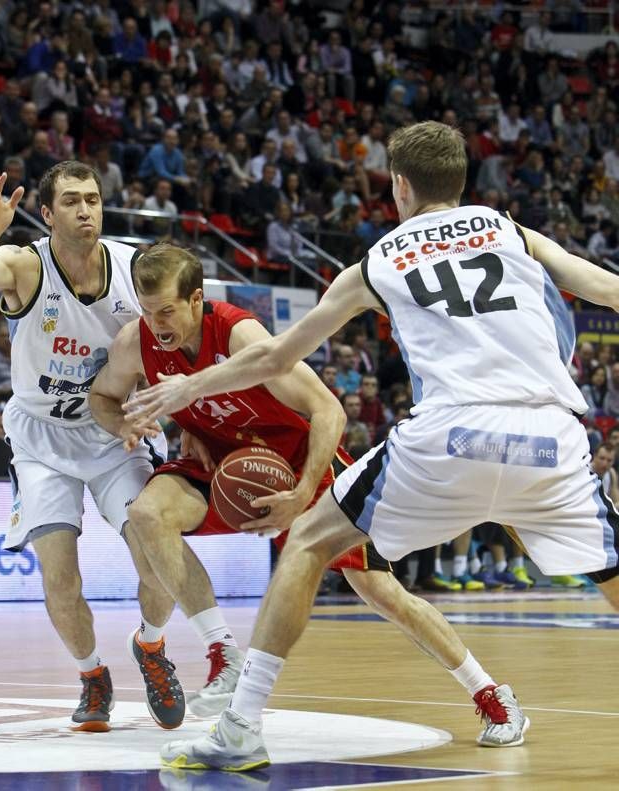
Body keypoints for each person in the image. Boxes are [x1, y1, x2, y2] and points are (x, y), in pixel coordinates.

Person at [127, 121, 619, 770]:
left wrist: (187, 384)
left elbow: (277, 355)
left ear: (400, 186)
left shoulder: (379, 259)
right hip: (551, 440)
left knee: (307, 542)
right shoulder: (509, 230)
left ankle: (241, 726)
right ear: (464, 183)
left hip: (450, 436)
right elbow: (607, 289)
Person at [91, 242, 527, 736]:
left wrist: (301, 495)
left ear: (196, 300)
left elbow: (329, 411)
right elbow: (101, 395)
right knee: (148, 514)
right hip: (220, 464)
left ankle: (490, 692)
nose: (156, 323)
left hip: (299, 465)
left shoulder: (239, 335)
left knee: (380, 590)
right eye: (147, 312)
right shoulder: (136, 343)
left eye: (166, 310)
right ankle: (222, 653)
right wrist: (122, 426)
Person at [0, 161, 185, 733]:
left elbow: (186, 317)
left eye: (94, 200)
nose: (87, 210)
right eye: (73, 201)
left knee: (159, 556)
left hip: (114, 432)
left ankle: (151, 647)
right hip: (39, 439)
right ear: (48, 214)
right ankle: (91, 677)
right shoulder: (26, 265)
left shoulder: (134, 267)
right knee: (60, 577)